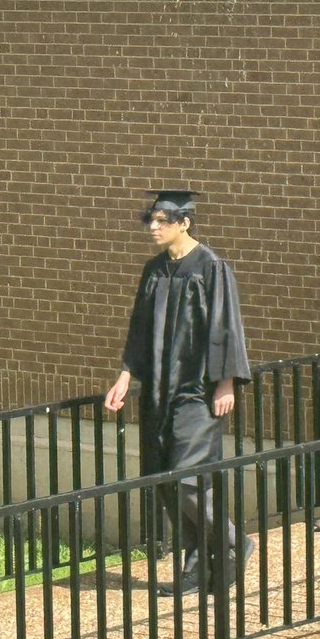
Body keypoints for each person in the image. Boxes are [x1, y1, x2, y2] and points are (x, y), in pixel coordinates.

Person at [104, 189, 253, 596]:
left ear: (184, 223)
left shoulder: (212, 267)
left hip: (198, 393)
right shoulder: (154, 270)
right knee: (164, 480)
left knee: (187, 479)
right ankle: (193, 569)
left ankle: (234, 543)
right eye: (150, 220)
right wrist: (124, 375)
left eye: (162, 221)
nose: (153, 228)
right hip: (158, 392)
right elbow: (138, 328)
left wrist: (226, 382)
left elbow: (227, 327)